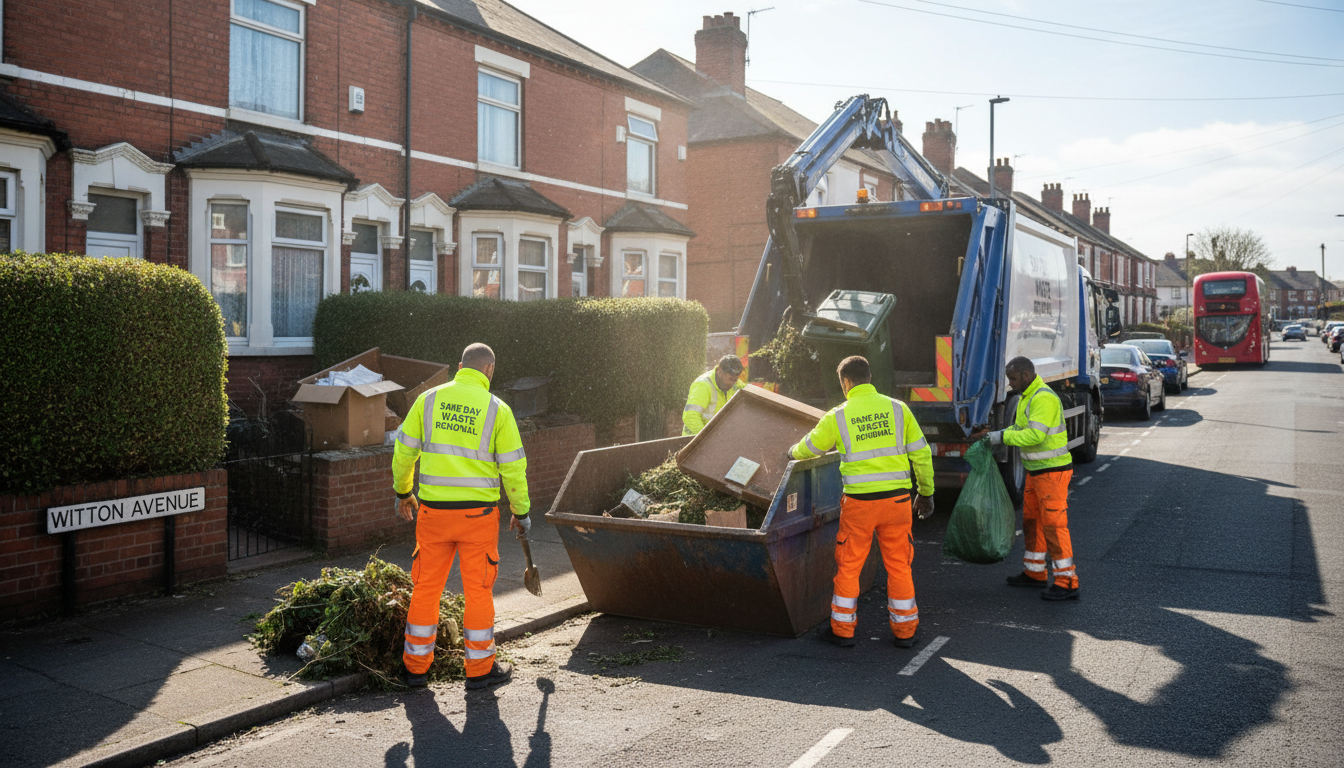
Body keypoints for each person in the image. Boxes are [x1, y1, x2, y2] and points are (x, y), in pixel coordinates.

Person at [392, 343, 531, 689]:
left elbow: (403, 452)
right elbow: (513, 469)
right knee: (478, 592)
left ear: (460, 366)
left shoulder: (427, 401)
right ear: (489, 369)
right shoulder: (498, 409)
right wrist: (521, 512)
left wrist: (403, 492)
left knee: (426, 588)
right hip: (478, 519)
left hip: (433, 515)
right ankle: (479, 671)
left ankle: (415, 669)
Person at [787, 355, 935, 649]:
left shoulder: (838, 415)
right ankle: (905, 632)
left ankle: (843, 630)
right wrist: (927, 493)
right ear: (870, 377)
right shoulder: (898, 409)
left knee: (850, 566)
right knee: (899, 566)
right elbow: (921, 453)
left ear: (846, 382)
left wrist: (792, 452)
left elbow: (811, 447)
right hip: (897, 502)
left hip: (859, 504)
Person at [971, 356, 1078, 601]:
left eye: (1013, 378)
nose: (1010, 383)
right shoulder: (1026, 397)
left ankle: (1067, 582)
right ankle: (1035, 572)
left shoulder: (1042, 398)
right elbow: (1019, 429)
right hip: (1037, 471)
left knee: (1053, 526)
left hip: (1052, 473)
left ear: (1026, 375)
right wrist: (994, 435)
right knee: (1032, 521)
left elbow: (1034, 436)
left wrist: (1000, 438)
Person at [682, 355, 746, 435]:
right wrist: (707, 438)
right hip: (695, 439)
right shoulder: (703, 385)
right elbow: (690, 416)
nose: (733, 382)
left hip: (717, 437)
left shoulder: (737, 384)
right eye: (730, 377)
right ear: (720, 370)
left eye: (736, 378)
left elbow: (752, 394)